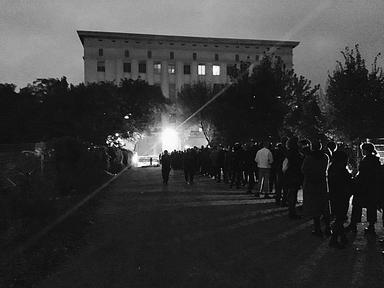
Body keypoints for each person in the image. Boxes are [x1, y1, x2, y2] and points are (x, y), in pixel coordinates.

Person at [348, 142, 381, 235]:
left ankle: (353, 224)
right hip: (372, 187)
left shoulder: (365, 161)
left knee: (357, 205)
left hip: (363, 187)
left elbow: (362, 175)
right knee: (371, 207)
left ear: (365, 150)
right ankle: (371, 226)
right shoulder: (376, 160)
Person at [302, 140, 331, 236]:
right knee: (325, 206)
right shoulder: (325, 157)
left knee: (314, 207)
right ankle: (328, 227)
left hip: (311, 183)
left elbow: (304, 170)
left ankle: (317, 229)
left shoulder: (309, 158)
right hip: (322, 183)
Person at [328, 150, 352, 248]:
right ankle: (333, 240)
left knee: (339, 217)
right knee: (340, 218)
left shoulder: (332, 168)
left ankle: (342, 237)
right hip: (341, 196)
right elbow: (347, 181)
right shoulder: (341, 170)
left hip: (334, 196)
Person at [283, 137, 304, 219]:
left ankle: (291, 211)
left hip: (289, 175)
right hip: (296, 175)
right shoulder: (298, 154)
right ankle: (292, 212)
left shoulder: (288, 153)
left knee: (291, 193)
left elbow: (285, 166)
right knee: (293, 194)